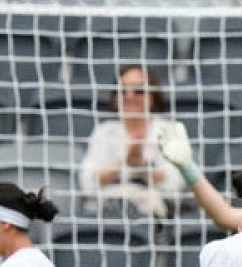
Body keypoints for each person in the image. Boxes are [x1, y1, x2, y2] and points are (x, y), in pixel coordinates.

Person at [79, 65, 186, 218]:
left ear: (153, 97)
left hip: (155, 213)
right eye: (122, 91)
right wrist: (124, 164)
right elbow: (87, 182)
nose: (129, 96)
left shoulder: (170, 131)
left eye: (139, 91)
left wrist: (143, 167)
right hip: (107, 212)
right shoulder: (104, 132)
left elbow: (175, 184)